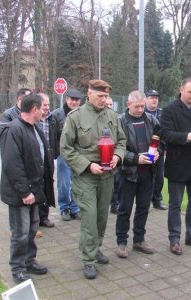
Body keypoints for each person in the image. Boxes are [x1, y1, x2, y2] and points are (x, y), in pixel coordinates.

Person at [60, 79, 126, 280]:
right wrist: (88, 165)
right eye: (100, 96)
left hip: (107, 176)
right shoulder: (76, 117)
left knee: (101, 217)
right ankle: (88, 260)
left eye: (106, 96)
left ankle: (95, 247)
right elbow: (66, 149)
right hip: (86, 177)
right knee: (89, 217)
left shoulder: (113, 117)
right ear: (89, 94)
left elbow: (122, 141)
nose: (103, 100)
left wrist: (117, 156)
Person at [0, 93, 54, 283]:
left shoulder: (34, 127)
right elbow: (12, 165)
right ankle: (18, 269)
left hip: (34, 191)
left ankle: (29, 261)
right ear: (34, 109)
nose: (45, 110)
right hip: (21, 194)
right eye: (43, 107)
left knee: (31, 230)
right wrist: (24, 192)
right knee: (20, 233)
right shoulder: (13, 130)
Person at [159, 77, 191, 256]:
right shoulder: (169, 110)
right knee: (175, 204)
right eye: (190, 92)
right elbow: (165, 134)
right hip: (177, 165)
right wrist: (188, 137)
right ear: (181, 89)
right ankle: (174, 239)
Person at [115, 90, 161, 258]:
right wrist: (135, 159)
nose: (141, 110)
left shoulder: (151, 119)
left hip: (148, 172)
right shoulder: (119, 121)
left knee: (143, 208)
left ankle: (139, 240)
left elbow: (160, 140)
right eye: (137, 107)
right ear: (128, 104)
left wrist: (158, 153)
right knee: (124, 209)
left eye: (142, 106)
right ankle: (121, 242)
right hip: (127, 173)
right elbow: (116, 148)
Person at [52, 89, 83, 221]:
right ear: (66, 99)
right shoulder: (57, 115)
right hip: (63, 155)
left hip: (78, 155)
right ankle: (64, 208)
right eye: (72, 99)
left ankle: (75, 208)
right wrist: (56, 153)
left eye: (77, 100)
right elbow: (53, 136)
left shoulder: (83, 114)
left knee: (77, 183)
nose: (74, 102)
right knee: (64, 184)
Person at [36, 93, 59, 231]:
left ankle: (44, 216)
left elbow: (56, 137)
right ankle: (35, 217)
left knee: (47, 185)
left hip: (49, 157)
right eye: (44, 105)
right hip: (37, 157)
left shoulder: (52, 118)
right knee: (37, 185)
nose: (47, 107)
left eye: (48, 104)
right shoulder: (34, 119)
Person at [145, 89, 167, 210]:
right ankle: (145, 201)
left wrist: (160, 150)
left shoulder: (163, 114)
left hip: (159, 150)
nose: (154, 100)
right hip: (144, 150)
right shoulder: (141, 113)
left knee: (159, 177)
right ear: (146, 99)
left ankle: (157, 200)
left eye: (156, 98)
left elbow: (165, 133)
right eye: (151, 97)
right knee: (146, 177)